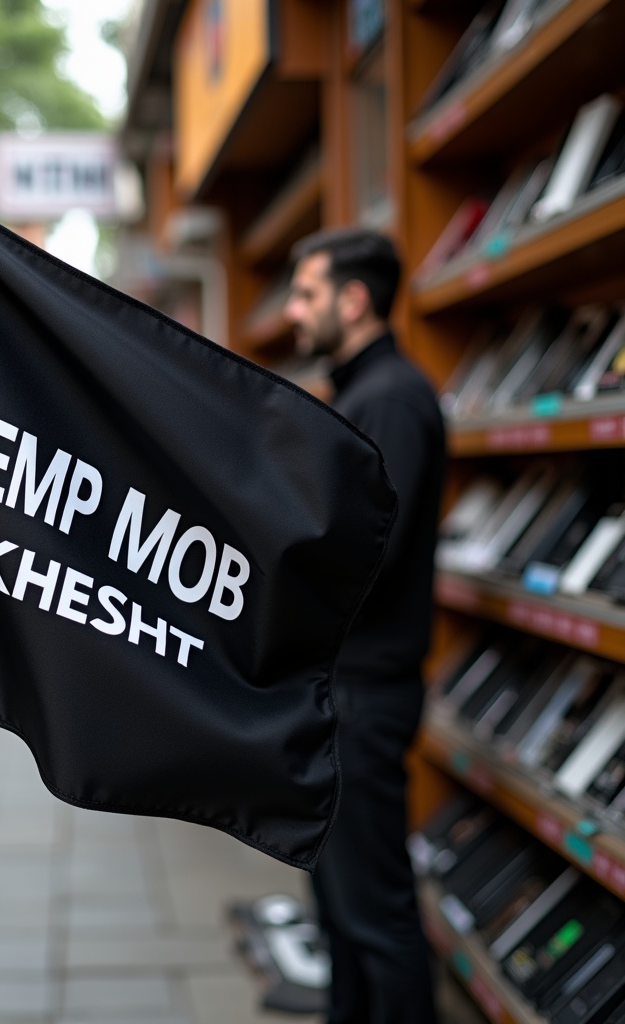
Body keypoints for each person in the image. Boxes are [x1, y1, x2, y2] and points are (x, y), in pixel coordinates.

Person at [284, 228, 445, 1024]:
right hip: (348, 691)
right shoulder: (363, 393)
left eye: (307, 293)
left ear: (354, 300)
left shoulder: (389, 399)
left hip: (365, 698)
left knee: (374, 915)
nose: (292, 311)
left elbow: (362, 555)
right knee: (343, 917)